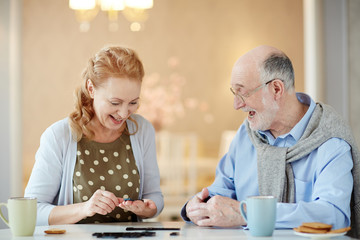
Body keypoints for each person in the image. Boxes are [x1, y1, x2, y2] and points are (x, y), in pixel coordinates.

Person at [181, 45, 360, 237]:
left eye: (242, 93)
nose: (237, 105)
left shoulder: (330, 140)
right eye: (234, 93)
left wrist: (250, 213)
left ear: (276, 89)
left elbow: (333, 216)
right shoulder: (246, 134)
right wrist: (199, 205)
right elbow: (221, 189)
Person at [25, 46, 164, 226]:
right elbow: (32, 212)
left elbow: (154, 197)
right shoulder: (58, 136)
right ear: (91, 89)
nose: (123, 113)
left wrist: (149, 208)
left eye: (133, 103)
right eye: (115, 102)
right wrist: (84, 208)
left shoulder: (142, 130)